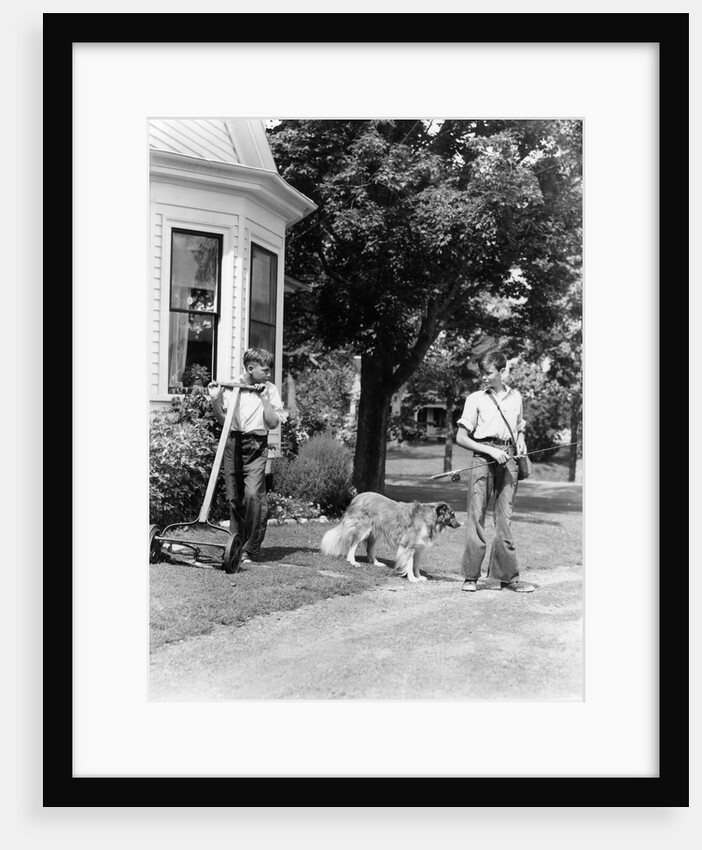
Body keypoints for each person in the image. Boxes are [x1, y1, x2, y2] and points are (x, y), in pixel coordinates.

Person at [455, 349, 535, 593]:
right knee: (476, 517)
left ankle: (508, 577)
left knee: (505, 519)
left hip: (509, 459)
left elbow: (519, 427)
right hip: (483, 457)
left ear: (502, 372)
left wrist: (520, 439)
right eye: (482, 373)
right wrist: (490, 452)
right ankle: (471, 577)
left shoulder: (516, 398)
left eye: (488, 373)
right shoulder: (475, 399)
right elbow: (461, 437)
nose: (483, 377)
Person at [207, 347, 287, 564]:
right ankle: (237, 545)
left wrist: (264, 400)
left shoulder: (270, 390)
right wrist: (215, 400)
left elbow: (272, 423)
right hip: (233, 441)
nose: (269, 374)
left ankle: (251, 548)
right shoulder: (233, 387)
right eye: (265, 369)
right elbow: (224, 421)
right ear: (251, 369)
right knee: (234, 497)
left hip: (256, 444)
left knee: (253, 494)